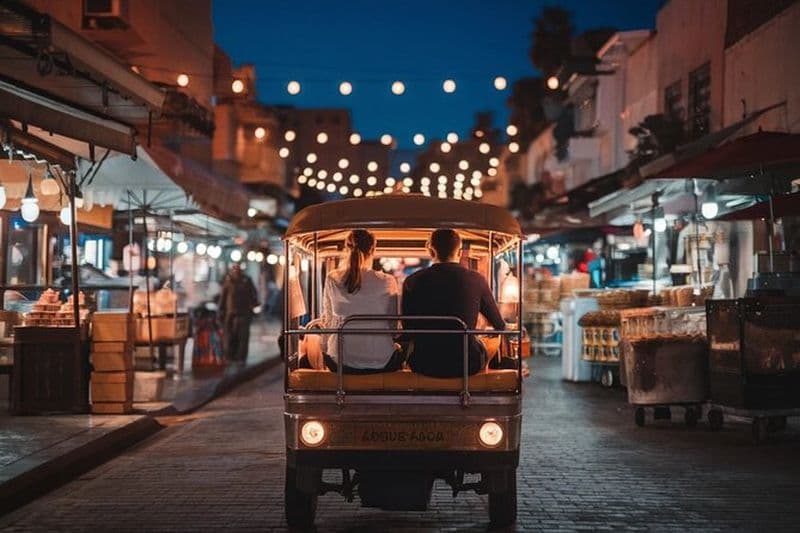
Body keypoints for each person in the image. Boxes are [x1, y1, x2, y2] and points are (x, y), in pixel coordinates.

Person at [402, 229, 506, 378]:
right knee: (489, 341)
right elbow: (500, 326)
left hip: (423, 363)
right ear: (459, 251)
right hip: (467, 364)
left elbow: (408, 329)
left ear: (431, 251)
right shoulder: (476, 279)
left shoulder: (412, 281)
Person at [301, 229, 403, 374]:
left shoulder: (333, 278)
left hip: (340, 362)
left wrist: (325, 350)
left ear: (346, 248)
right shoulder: (387, 281)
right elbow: (394, 328)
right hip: (381, 362)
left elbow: (328, 322)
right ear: (373, 249)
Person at [219, 263, 259, 364]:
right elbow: (223, 297)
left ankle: (240, 358)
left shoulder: (246, 280)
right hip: (231, 314)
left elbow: (253, 295)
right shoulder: (228, 281)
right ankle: (231, 356)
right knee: (230, 336)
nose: (236, 271)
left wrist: (255, 305)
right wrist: (221, 311)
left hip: (243, 313)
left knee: (242, 337)